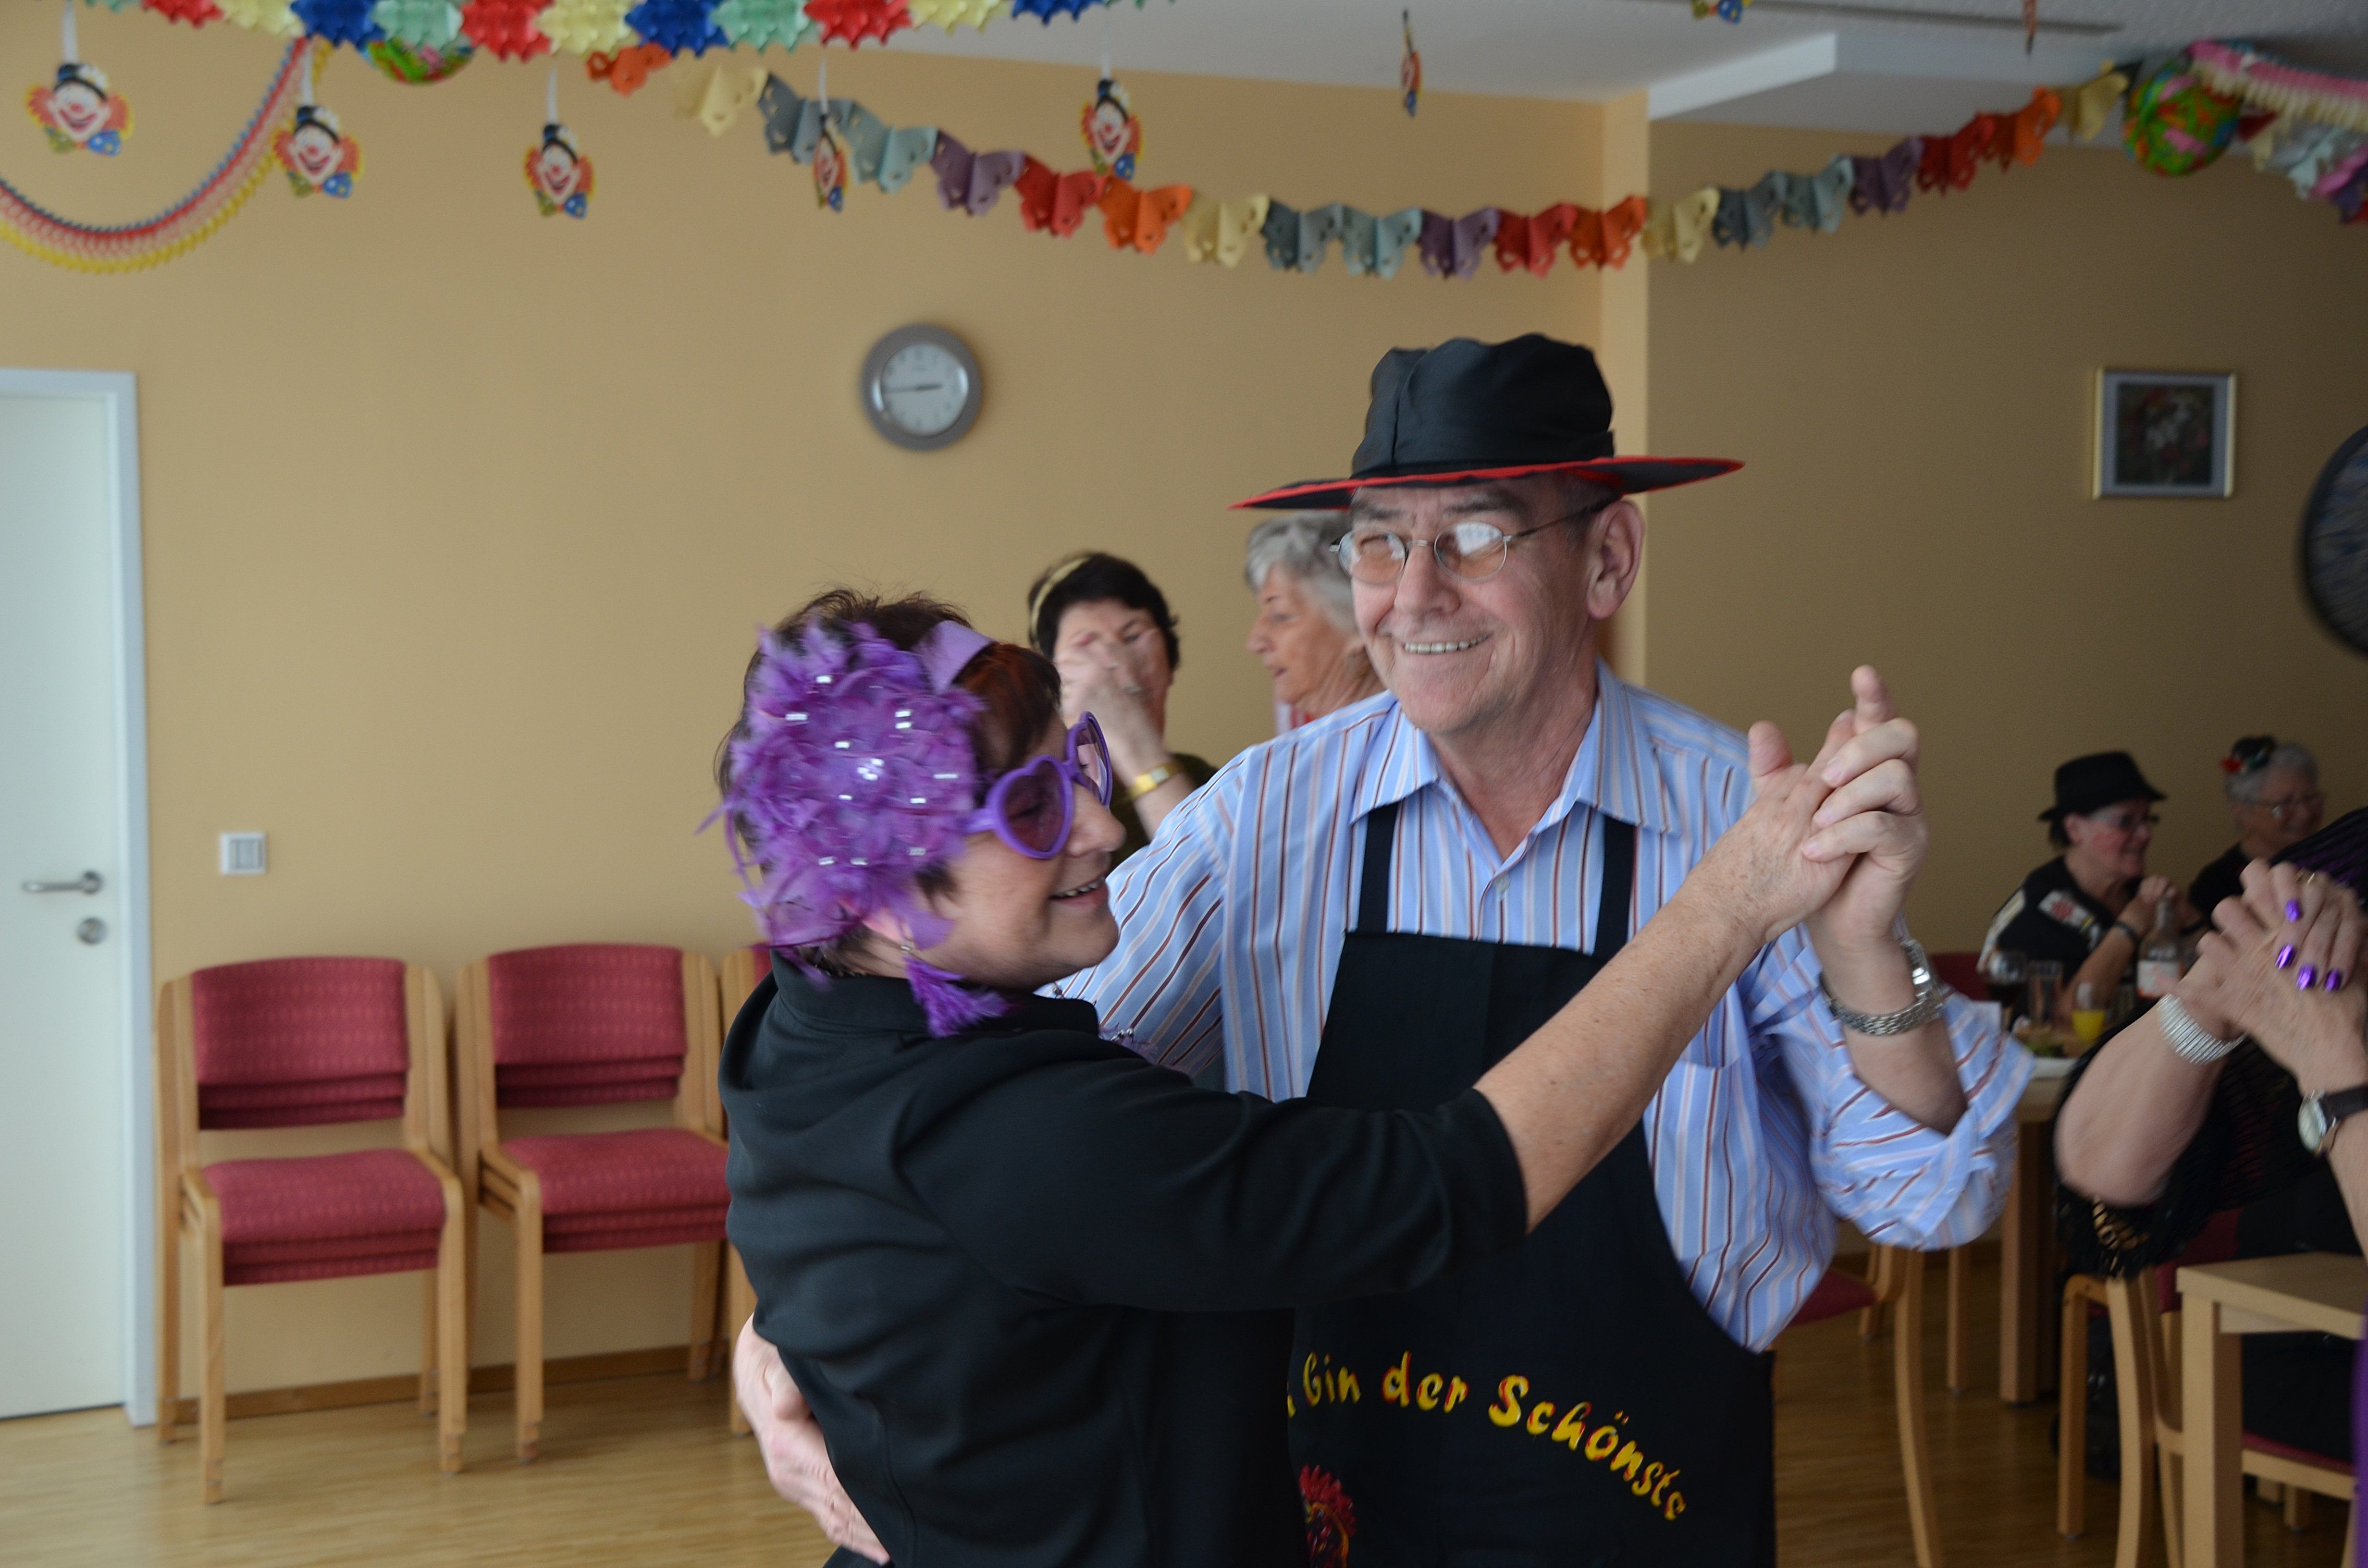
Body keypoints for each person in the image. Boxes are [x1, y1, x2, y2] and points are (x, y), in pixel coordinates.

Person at [740, 334, 2026, 1567]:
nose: (1414, 596)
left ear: (1609, 558)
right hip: (1323, 1519)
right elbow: (997, 1124)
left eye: (1475, 537)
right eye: (1377, 542)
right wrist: (798, 1330)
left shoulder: (1746, 827)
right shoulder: (1263, 819)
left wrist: (1868, 951)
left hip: (1641, 1519)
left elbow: (1933, 1197)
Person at [2055, 809, 2367, 1464]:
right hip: (2303, 1344)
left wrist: (2333, 1060)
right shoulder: (2351, 866)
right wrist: (2210, 997)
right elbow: (2100, 1169)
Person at [1980, 751, 2196, 1018]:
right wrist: (2130, 927)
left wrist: (2190, 920)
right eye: (2126, 822)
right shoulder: (2035, 912)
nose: (2145, 835)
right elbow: (2058, 1023)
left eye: (2147, 819)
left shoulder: (2142, 893)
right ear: (2074, 829)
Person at [1026, 551, 1214, 858]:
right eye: (1088, 646)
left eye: (1132, 637)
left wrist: (1138, 749)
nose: (1119, 665)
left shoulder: (1211, 782)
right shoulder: (1045, 807)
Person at [1243, 510, 1383, 731]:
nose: (1254, 643)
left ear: (1361, 619)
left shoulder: (1414, 741)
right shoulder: (1299, 728)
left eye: (1281, 616)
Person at [2191, 735, 2325, 919]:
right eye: (2284, 804)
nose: (2306, 814)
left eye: (2310, 798)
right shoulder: (2215, 887)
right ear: (2242, 811)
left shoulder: (2335, 859)